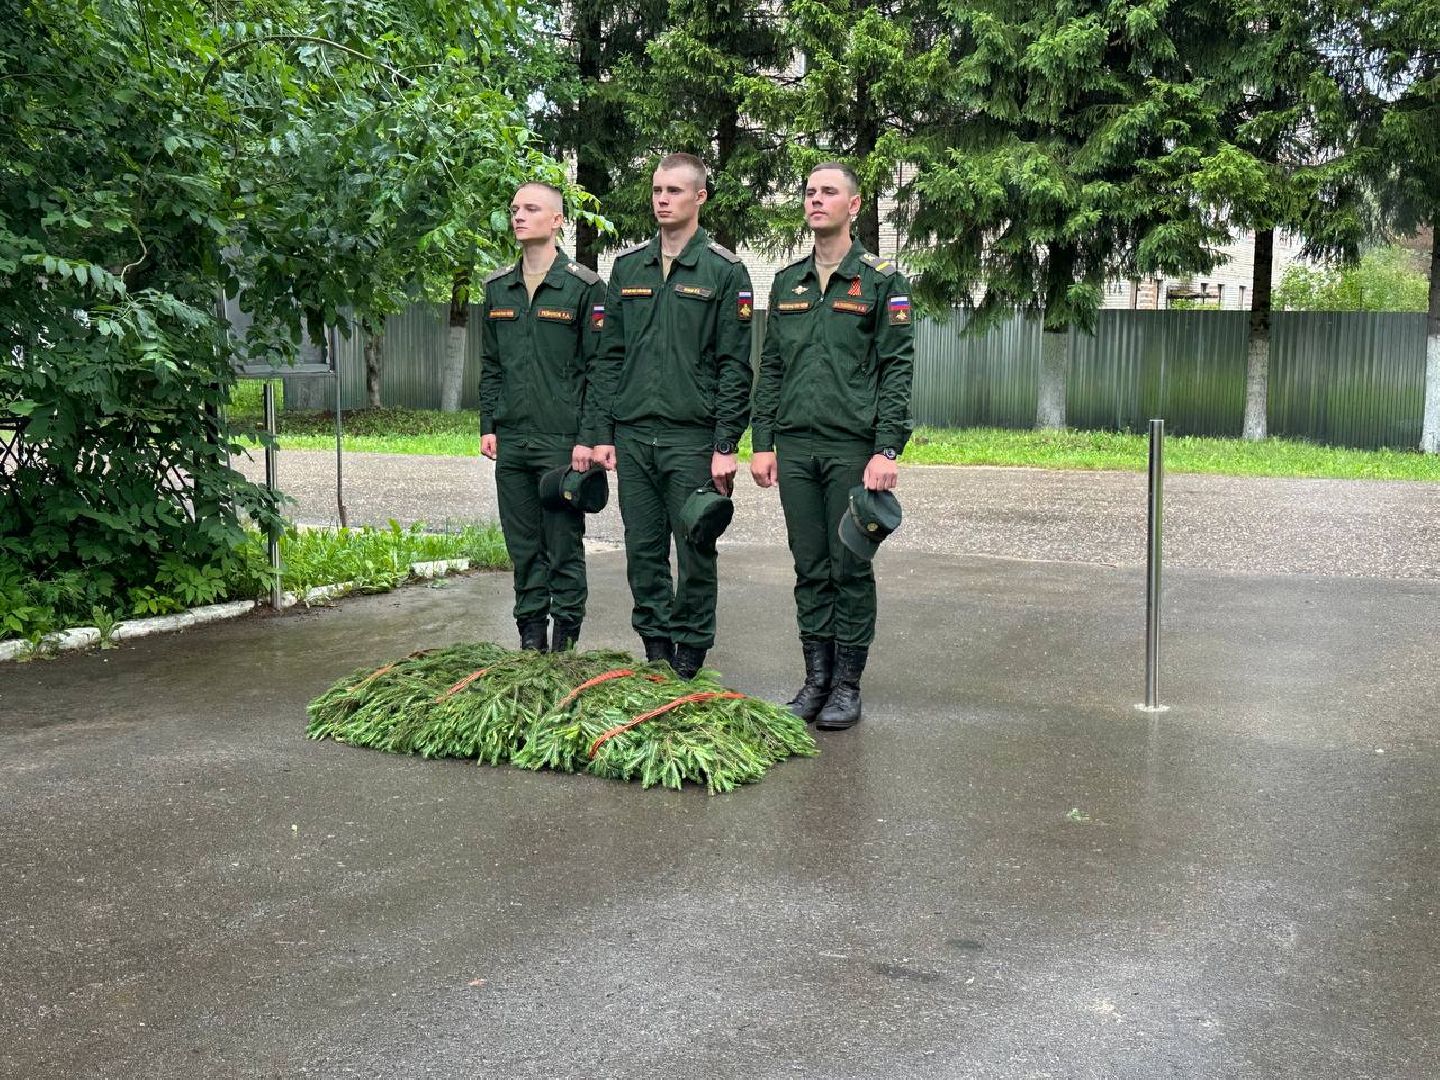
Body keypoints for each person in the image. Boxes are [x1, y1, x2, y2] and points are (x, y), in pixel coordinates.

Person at [749, 162, 914, 729]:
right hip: (796, 446)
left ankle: (847, 685)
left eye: (828, 192)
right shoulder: (788, 281)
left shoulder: (881, 281)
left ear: (854, 205)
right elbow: (772, 366)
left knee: (849, 565)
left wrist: (886, 450)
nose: (815, 200)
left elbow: (897, 369)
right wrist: (762, 441)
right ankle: (816, 680)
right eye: (809, 192)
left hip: (852, 446)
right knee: (809, 566)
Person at [589, 153, 755, 679]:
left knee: (696, 546)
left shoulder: (724, 271)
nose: (662, 199)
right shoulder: (628, 268)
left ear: (700, 197)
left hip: (692, 437)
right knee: (643, 550)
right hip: (634, 434)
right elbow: (609, 358)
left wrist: (726, 444)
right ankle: (656, 649)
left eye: (674, 191)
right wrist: (601, 432)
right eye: (657, 190)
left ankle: (691, 652)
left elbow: (735, 366)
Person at [478, 182, 607, 652]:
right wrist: (488, 425)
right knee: (523, 546)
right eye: (515, 208)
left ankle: (565, 643)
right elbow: (491, 364)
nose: (518, 216)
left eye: (531, 208)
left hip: (562, 441)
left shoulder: (584, 287)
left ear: (557, 220)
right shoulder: (498, 287)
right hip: (513, 439)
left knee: (562, 544)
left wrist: (589, 437)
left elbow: (600, 369)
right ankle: (531, 639)